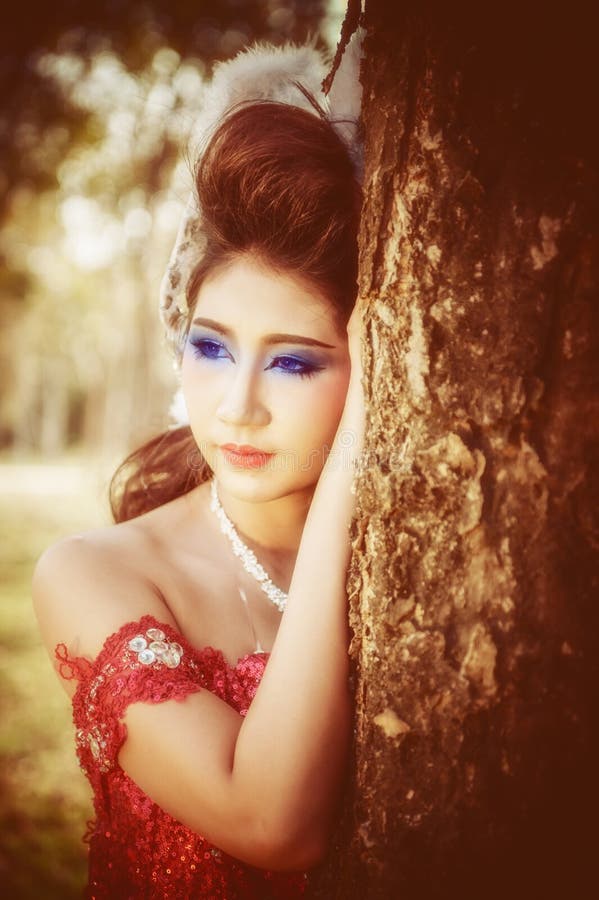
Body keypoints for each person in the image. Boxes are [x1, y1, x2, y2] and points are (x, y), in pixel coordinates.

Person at [32, 37, 365, 899]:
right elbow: (271, 823)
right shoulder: (94, 573)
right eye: (211, 349)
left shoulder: (416, 562)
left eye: (294, 363)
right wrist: (345, 476)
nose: (236, 406)